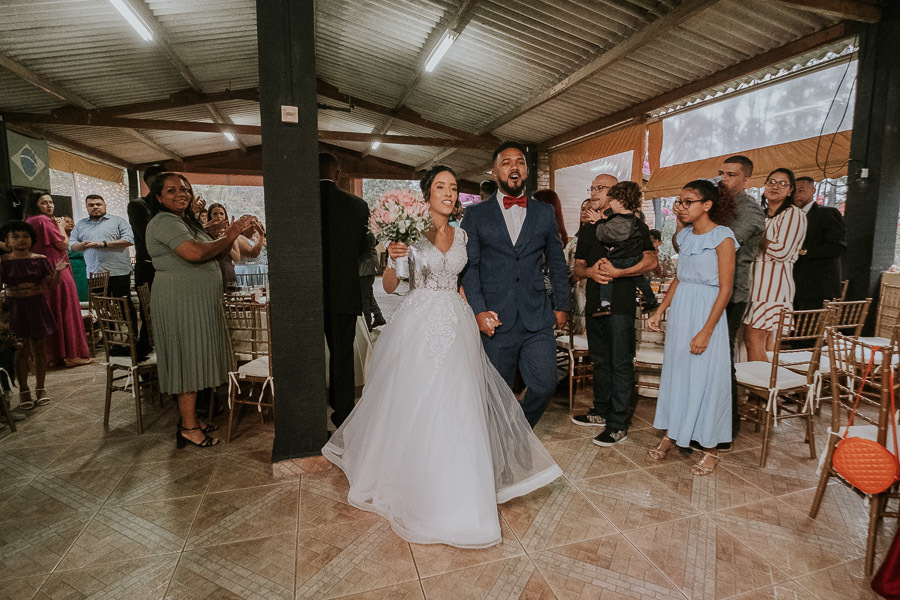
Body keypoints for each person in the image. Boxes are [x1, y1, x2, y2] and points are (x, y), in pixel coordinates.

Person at [322, 164, 562, 548]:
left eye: (453, 188)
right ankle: (414, 481)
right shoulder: (410, 233)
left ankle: (460, 483)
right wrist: (392, 257)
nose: (449, 193)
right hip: (418, 323)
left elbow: (464, 284)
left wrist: (479, 314)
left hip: (457, 321)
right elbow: (390, 283)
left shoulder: (464, 235)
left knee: (458, 403)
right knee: (418, 401)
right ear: (427, 193)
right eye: (441, 187)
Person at [460, 142, 570, 428]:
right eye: (506, 162)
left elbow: (557, 262)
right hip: (496, 318)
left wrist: (562, 305)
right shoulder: (475, 215)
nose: (514, 167)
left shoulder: (544, 213)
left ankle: (517, 431)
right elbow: (469, 268)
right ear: (495, 172)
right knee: (496, 393)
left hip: (537, 316)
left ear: (527, 171)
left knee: (545, 384)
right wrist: (479, 311)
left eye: (519, 162)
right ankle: (498, 449)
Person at [146, 172, 257, 447]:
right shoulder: (163, 221)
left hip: (196, 302)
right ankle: (188, 426)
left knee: (196, 357)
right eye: (172, 191)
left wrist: (228, 237)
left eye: (185, 189)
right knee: (187, 359)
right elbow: (195, 254)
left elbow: (215, 253)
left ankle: (192, 417)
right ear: (159, 197)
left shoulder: (186, 221)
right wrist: (232, 232)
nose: (181, 193)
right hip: (180, 302)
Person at [647, 180, 738, 476]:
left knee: (707, 378)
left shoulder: (723, 237)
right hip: (682, 311)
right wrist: (660, 310)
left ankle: (711, 449)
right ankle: (672, 434)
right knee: (678, 375)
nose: (681, 207)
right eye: (680, 201)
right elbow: (679, 278)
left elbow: (726, 289)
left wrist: (706, 331)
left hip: (707, 313)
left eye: (688, 202)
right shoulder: (684, 236)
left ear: (707, 205)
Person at [571, 175, 657, 445]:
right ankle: (600, 411)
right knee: (600, 360)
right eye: (592, 187)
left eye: (600, 188)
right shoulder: (588, 227)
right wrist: (590, 273)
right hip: (595, 302)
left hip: (620, 304)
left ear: (614, 194)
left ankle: (618, 424)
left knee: (620, 363)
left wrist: (620, 272)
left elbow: (651, 261)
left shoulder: (635, 225)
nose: (594, 192)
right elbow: (577, 270)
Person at [320, 152, 370, 428]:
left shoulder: (301, 202)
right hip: (343, 291)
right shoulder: (357, 206)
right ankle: (343, 415)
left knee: (309, 355)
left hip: (308, 294)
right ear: (338, 173)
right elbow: (363, 251)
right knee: (342, 354)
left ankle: (311, 414)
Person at [717, 155, 765, 441]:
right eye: (721, 173)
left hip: (732, 294)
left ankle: (727, 426)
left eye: (732, 174)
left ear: (746, 180)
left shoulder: (751, 210)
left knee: (722, 361)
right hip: (706, 293)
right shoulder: (718, 204)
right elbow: (683, 242)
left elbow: (724, 244)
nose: (724, 178)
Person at [0, 221, 68, 409]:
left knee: (40, 349)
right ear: (7, 240)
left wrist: (58, 272)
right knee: (20, 349)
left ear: (32, 239)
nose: (21, 240)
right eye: (16, 237)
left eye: (25, 236)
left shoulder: (40, 258)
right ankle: (23, 391)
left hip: (37, 304)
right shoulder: (3, 261)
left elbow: (52, 286)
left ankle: (40, 388)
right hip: (14, 307)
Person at [744, 168, 807, 361]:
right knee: (766, 344)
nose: (775, 186)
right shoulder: (762, 216)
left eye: (782, 183)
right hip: (755, 286)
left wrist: (757, 237)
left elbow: (783, 252)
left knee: (753, 338)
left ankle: (760, 388)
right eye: (771, 181)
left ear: (790, 191)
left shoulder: (793, 214)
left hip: (773, 288)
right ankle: (770, 386)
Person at [23, 192, 91, 367]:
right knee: (65, 307)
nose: (50, 205)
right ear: (35, 204)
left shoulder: (31, 220)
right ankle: (70, 355)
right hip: (56, 266)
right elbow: (63, 244)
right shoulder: (42, 220)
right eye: (44, 202)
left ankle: (55, 355)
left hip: (42, 268)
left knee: (53, 309)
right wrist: (61, 225)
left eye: (51, 202)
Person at [68, 195, 142, 356]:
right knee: (102, 308)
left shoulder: (118, 221)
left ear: (105, 205)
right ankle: (111, 340)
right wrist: (81, 245)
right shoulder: (81, 225)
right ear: (87, 207)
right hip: (95, 273)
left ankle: (132, 338)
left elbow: (129, 239)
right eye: (91, 205)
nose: (95, 207)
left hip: (118, 271)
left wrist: (103, 244)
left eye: (98, 204)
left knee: (124, 305)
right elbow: (71, 245)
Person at [592, 182, 657, 316]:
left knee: (605, 272)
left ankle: (605, 303)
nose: (610, 204)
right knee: (639, 278)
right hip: (635, 258)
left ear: (621, 202)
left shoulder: (617, 220)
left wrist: (599, 222)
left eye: (612, 201)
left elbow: (605, 235)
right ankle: (651, 299)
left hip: (620, 258)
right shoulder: (637, 223)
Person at [792, 176, 846, 310]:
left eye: (801, 190)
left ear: (813, 191)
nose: (797, 195)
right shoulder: (790, 216)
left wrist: (805, 251)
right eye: (793, 191)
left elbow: (838, 247)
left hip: (818, 287)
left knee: (810, 328)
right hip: (792, 285)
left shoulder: (827, 213)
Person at [129, 164, 167, 353]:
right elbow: (149, 233)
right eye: (158, 181)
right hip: (147, 269)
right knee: (149, 316)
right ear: (149, 182)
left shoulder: (170, 210)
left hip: (167, 270)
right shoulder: (138, 205)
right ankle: (145, 361)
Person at [205, 203, 266, 289]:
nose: (219, 216)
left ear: (225, 216)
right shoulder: (205, 233)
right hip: (210, 271)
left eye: (221, 213)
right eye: (215, 214)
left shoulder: (231, 234)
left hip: (227, 270)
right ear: (210, 216)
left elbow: (237, 258)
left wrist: (226, 240)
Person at [564, 200, 592, 334]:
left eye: (590, 209)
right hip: (571, 291)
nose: (585, 212)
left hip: (586, 290)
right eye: (583, 209)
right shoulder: (575, 238)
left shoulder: (597, 236)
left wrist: (575, 276)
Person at [359, 231, 386, 330]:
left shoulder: (365, 230)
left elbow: (360, 247)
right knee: (368, 293)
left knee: (364, 297)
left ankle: (367, 323)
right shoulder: (369, 229)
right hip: (368, 265)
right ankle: (378, 316)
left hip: (365, 267)